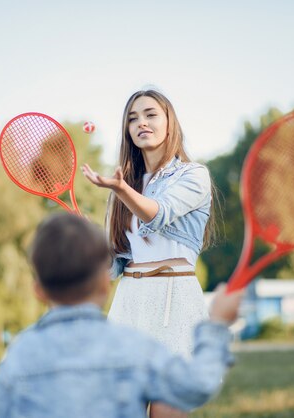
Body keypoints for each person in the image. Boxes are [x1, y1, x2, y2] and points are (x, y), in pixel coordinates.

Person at [0, 213, 243, 418]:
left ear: (38, 291)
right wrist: (217, 323)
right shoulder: (133, 347)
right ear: (104, 284)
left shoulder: (18, 356)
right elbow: (195, 385)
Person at [82, 89, 216, 417]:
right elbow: (113, 266)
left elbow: (158, 212)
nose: (141, 122)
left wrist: (120, 189)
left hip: (175, 301)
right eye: (132, 118)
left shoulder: (193, 175)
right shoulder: (123, 185)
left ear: (170, 123)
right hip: (130, 301)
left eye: (150, 114)